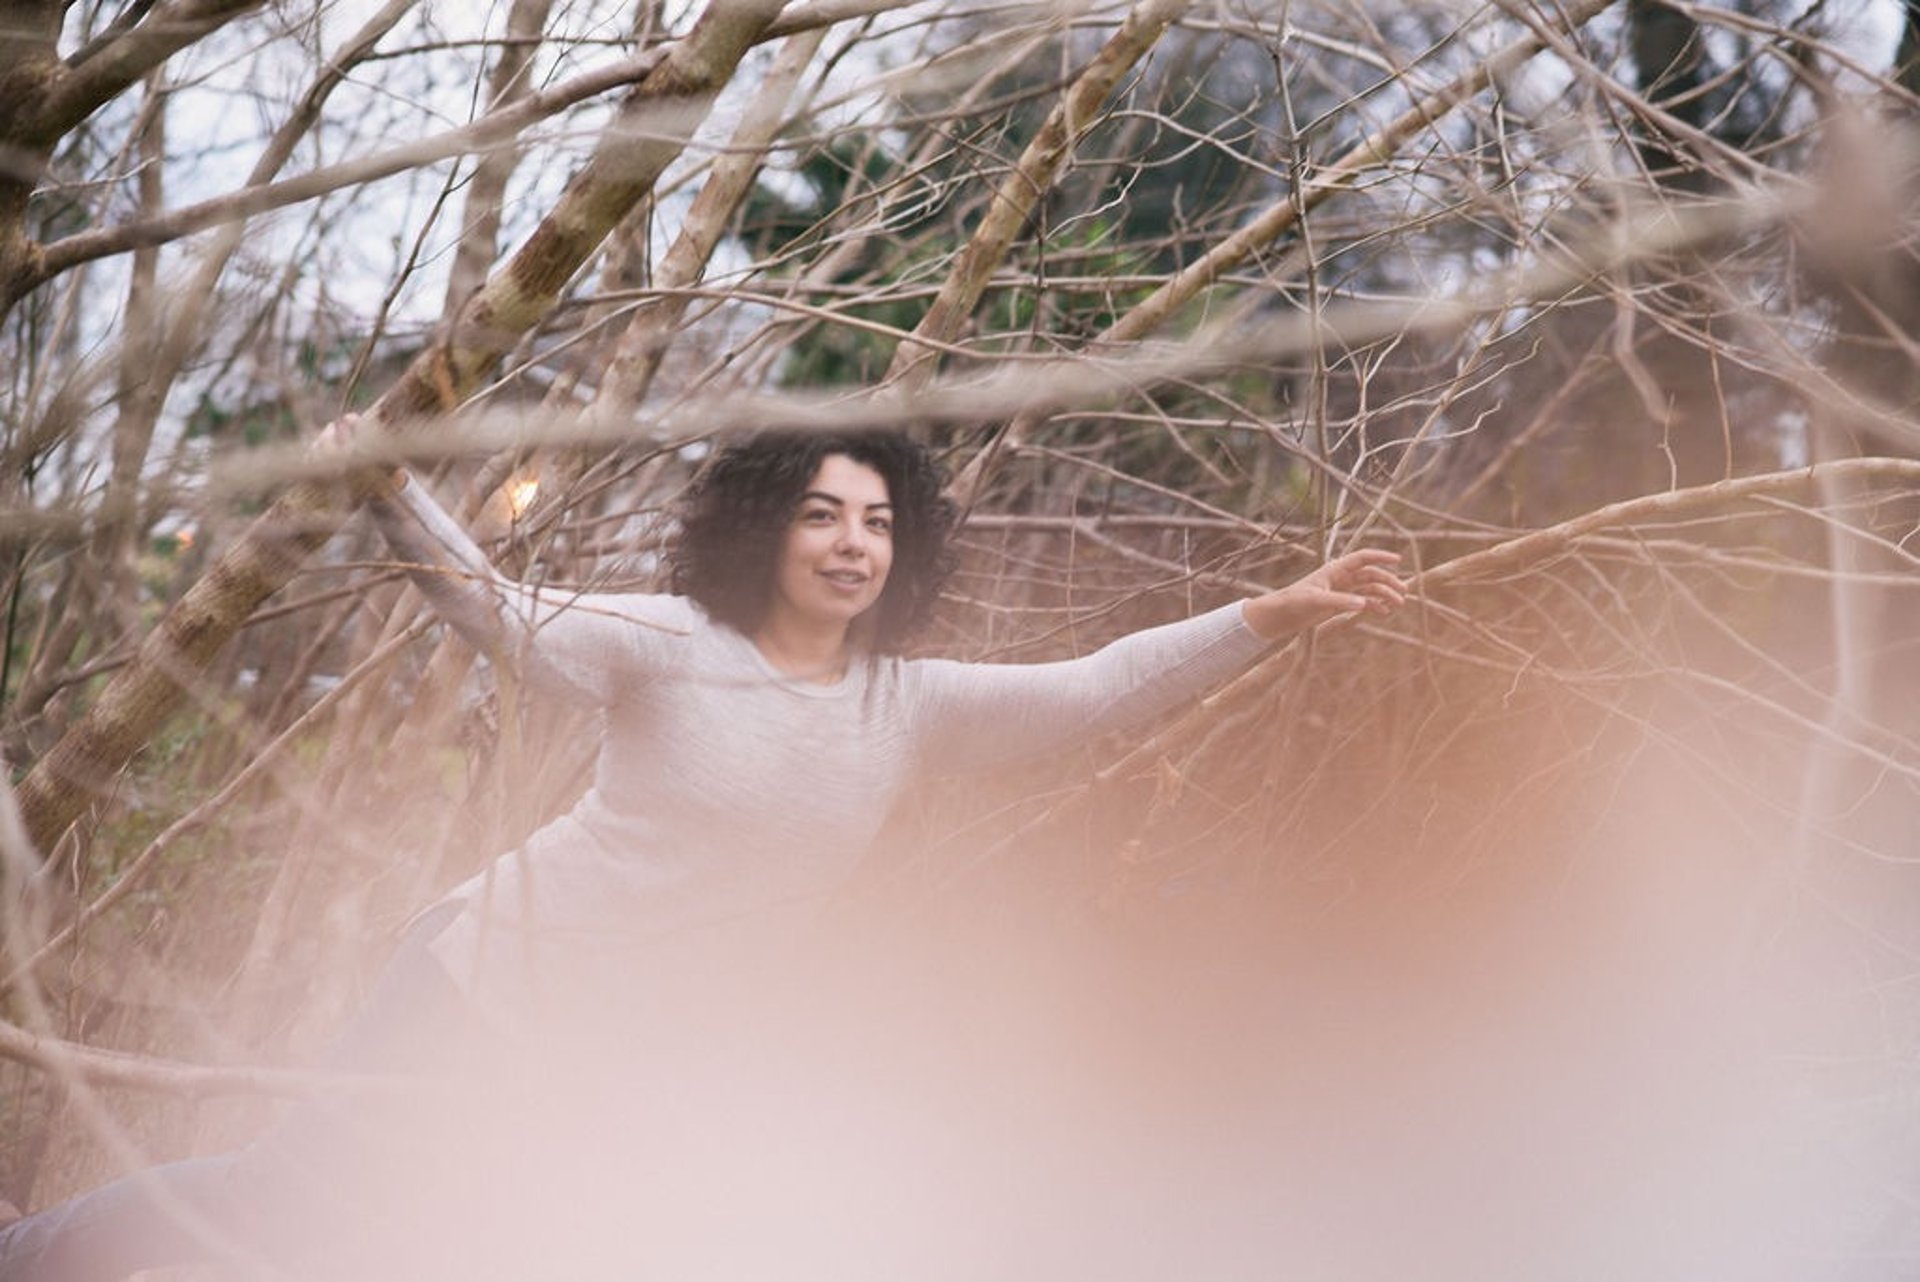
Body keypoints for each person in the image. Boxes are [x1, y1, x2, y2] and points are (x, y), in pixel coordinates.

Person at [0, 422, 1407, 1281]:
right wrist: (389, 485)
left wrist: (1277, 610)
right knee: (296, 1188)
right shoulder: (678, 648)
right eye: (821, 513)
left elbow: (1097, 688)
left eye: (878, 521)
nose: (853, 542)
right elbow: (503, 615)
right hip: (488, 975)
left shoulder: (908, 709)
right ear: (765, 529)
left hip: (604, 1061)